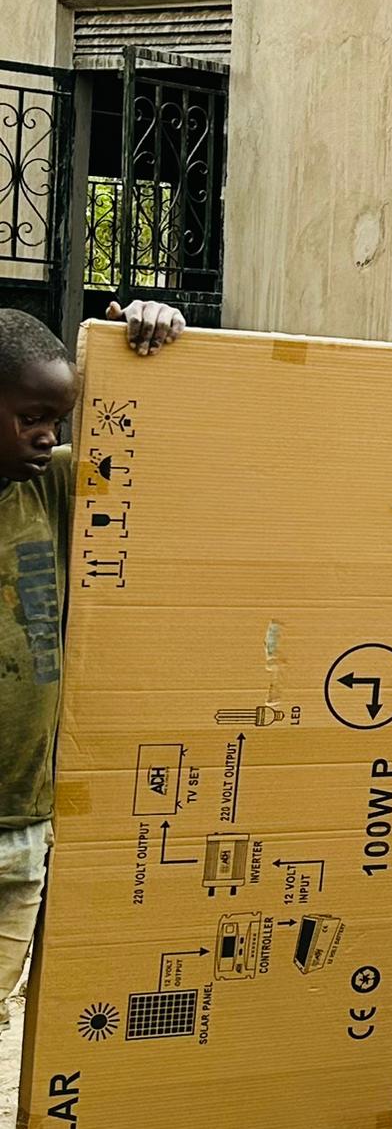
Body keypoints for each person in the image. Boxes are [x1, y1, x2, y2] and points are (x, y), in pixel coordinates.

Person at [0, 298, 184, 1052]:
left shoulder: (46, 489)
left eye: (60, 419)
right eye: (31, 417)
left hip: (22, 828)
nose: (50, 435)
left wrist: (151, 345)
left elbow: (164, 446)